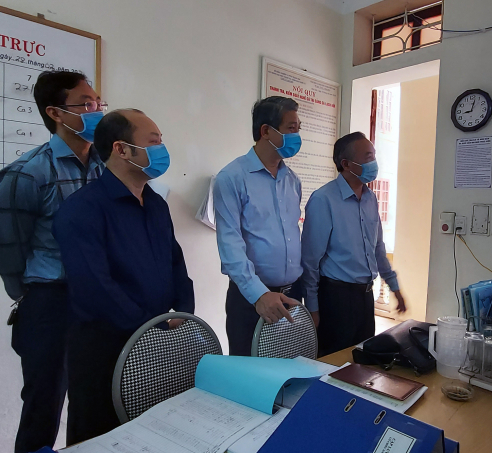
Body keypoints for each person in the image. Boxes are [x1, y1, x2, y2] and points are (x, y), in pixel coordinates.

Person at [52, 109, 195, 444]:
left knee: (151, 432)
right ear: (121, 149)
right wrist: (151, 325)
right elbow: (95, 288)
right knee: (101, 437)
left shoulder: (156, 204)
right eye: (154, 142)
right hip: (104, 351)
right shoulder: (82, 209)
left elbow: (175, 262)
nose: (162, 149)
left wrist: (184, 310)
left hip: (155, 344)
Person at [0, 70, 106, 453]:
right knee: (44, 405)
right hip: (51, 302)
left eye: (99, 103)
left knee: (94, 400)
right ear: (56, 113)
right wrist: (31, 297)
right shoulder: (28, 173)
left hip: (98, 299)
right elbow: (10, 248)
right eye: (87, 104)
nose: (96, 111)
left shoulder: (108, 167)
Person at [301, 132, 406, 356]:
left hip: (365, 297)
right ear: (346, 164)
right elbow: (310, 261)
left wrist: (394, 286)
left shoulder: (371, 198)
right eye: (367, 156)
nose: (373, 162)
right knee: (333, 365)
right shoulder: (324, 199)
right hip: (336, 300)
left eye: (374, 156)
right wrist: (312, 307)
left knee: (363, 362)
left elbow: (378, 248)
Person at [213, 96, 303, 356]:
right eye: (291, 128)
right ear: (266, 131)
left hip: (291, 296)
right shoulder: (231, 178)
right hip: (252, 298)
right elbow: (230, 246)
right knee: (249, 380)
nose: (297, 135)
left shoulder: (292, 181)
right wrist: (258, 295)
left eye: (298, 128)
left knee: (288, 376)